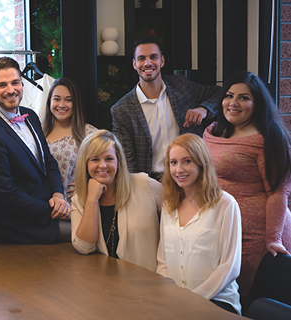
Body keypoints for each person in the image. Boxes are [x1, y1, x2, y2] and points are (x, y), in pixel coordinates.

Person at [203, 71, 291, 295]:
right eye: (229, 95)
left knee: (250, 298)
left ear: (257, 103)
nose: (233, 103)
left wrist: (273, 238)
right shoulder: (213, 132)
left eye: (244, 97)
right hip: (218, 228)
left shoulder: (268, 139)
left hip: (255, 236)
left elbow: (278, 192)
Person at [0, 56, 70, 244]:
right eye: (2, 85)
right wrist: (55, 212)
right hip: (15, 224)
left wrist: (58, 195)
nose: (10, 90)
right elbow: (6, 195)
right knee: (87, 233)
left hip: (44, 208)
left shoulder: (30, 116)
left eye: (15, 82)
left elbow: (48, 161)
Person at [110, 34, 220, 180]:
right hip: (151, 182)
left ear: (162, 61)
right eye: (141, 58)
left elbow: (219, 94)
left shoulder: (181, 86)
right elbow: (128, 162)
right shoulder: (122, 110)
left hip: (192, 177)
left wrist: (203, 109)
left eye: (153, 57)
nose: (147, 63)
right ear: (134, 64)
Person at [157, 134, 241, 314]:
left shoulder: (226, 204)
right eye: (173, 162)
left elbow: (230, 266)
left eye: (187, 161)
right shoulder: (168, 205)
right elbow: (162, 261)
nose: (179, 169)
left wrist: (191, 299)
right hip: (176, 301)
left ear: (201, 164)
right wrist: (166, 297)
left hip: (216, 301)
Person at [71, 130, 161, 271]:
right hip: (105, 286)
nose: (103, 165)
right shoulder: (79, 199)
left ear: (118, 161)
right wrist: (92, 199)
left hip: (147, 283)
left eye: (109, 159)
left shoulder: (145, 185)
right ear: (85, 163)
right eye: (95, 159)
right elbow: (84, 247)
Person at [43, 77, 98, 204]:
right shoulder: (37, 133)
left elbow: (108, 167)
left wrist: (88, 184)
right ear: (49, 101)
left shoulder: (90, 134)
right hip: (44, 207)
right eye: (57, 99)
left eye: (68, 100)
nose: (62, 105)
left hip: (76, 208)